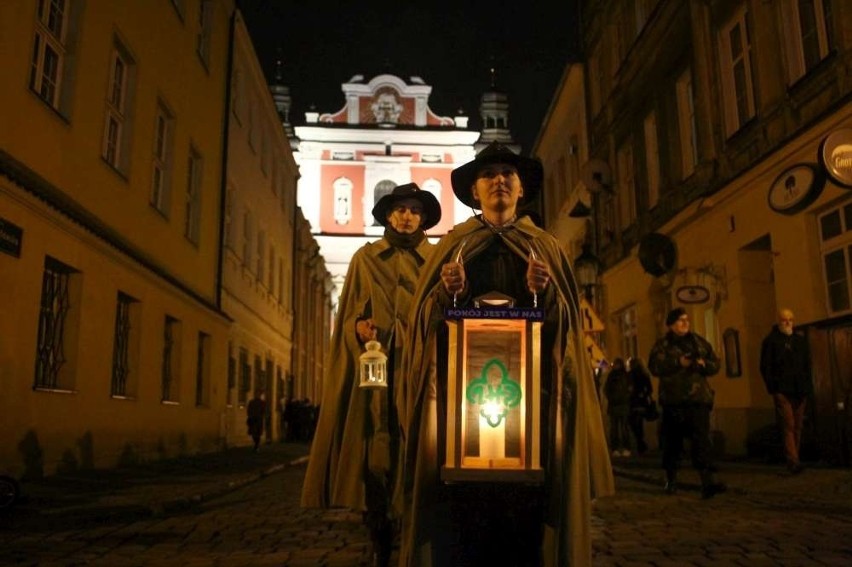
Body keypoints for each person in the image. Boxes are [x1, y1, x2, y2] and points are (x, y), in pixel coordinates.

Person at [396, 142, 614, 567]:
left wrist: (545, 290)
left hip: (530, 410)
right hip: (460, 415)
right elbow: (424, 324)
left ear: (520, 190)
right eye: (489, 174)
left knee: (523, 521)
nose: (499, 180)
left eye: (507, 175)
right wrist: (447, 291)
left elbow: (566, 328)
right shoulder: (453, 248)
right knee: (462, 518)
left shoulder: (543, 247)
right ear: (474, 192)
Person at [301, 182, 441, 567]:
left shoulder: (437, 260)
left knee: (416, 445)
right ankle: (379, 531)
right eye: (400, 209)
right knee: (376, 448)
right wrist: (356, 330)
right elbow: (348, 314)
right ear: (387, 216)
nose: (407, 216)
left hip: (417, 368)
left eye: (414, 210)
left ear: (424, 217)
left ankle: (411, 527)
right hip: (375, 369)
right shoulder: (365, 258)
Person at [648, 307, 726, 499]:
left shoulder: (698, 341)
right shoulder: (663, 345)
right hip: (673, 401)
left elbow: (715, 362)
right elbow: (654, 367)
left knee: (701, 441)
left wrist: (704, 365)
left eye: (687, 320)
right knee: (672, 443)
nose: (685, 323)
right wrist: (678, 362)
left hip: (698, 400)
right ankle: (671, 479)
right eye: (680, 321)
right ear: (671, 325)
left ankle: (707, 482)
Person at [759, 308, 813, 474]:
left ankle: (794, 458)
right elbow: (765, 366)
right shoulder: (771, 341)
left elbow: (807, 364)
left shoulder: (800, 341)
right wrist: (774, 388)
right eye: (784, 320)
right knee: (788, 424)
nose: (788, 322)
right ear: (779, 321)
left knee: (797, 426)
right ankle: (793, 460)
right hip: (782, 389)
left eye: (790, 319)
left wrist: (807, 386)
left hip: (800, 389)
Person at [604, 358, 632, 457]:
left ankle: (626, 447)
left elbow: (629, 389)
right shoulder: (612, 376)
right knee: (615, 428)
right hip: (615, 405)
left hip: (622, 405)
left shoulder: (625, 376)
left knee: (624, 427)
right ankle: (616, 448)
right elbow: (607, 389)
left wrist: (625, 397)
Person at [627, 356, 655, 455]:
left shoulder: (631, 375)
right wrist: (644, 394)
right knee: (638, 423)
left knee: (634, 423)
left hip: (634, 401)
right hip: (641, 401)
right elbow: (650, 389)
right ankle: (641, 443)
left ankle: (641, 443)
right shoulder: (644, 374)